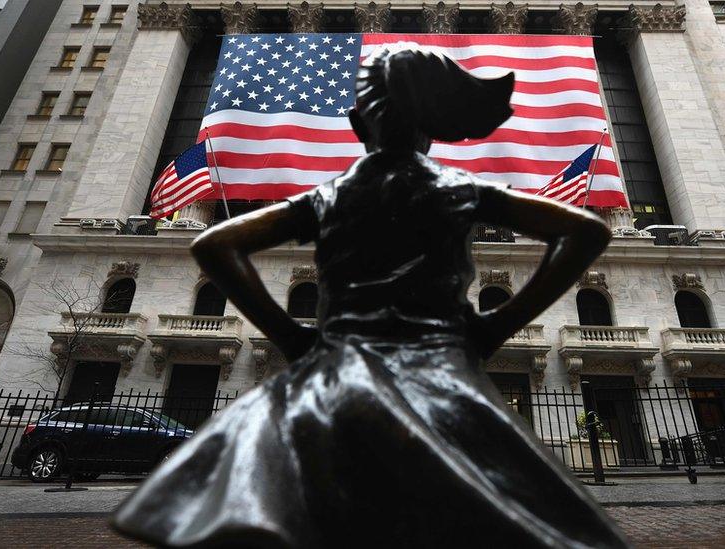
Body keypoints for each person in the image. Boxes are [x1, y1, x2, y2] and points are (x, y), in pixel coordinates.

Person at [113, 45, 626, 548]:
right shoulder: (461, 189)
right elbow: (586, 232)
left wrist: (291, 337)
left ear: (359, 125)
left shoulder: (330, 196)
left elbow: (216, 242)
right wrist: (496, 324)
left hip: (335, 372)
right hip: (439, 372)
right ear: (433, 125)